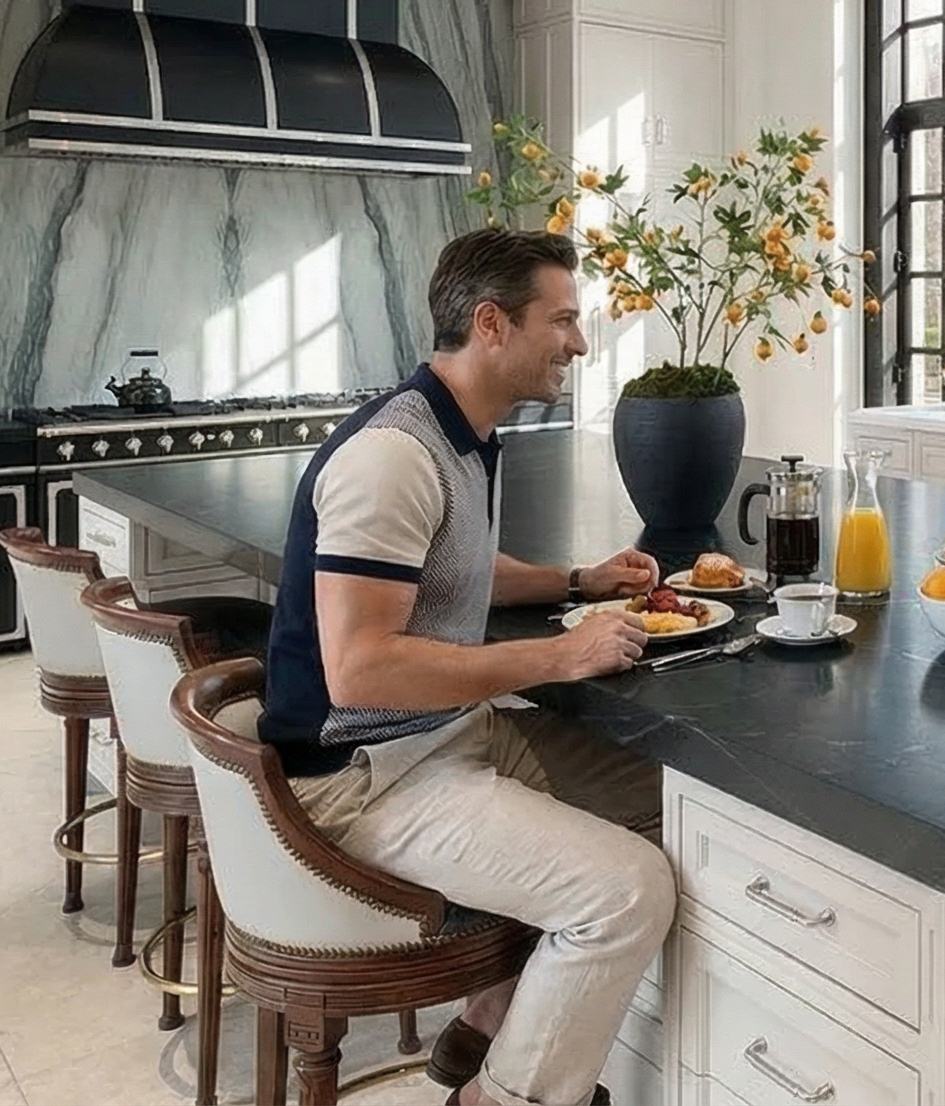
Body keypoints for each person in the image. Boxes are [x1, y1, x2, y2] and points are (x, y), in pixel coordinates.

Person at [258, 226, 669, 1106]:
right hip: (364, 778)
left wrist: (576, 579)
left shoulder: (466, 434)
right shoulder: (393, 457)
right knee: (627, 892)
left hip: (439, 742)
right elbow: (361, 670)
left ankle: (489, 1018)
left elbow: (452, 566)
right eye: (561, 320)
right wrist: (558, 654)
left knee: (675, 802)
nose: (580, 343)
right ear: (492, 323)